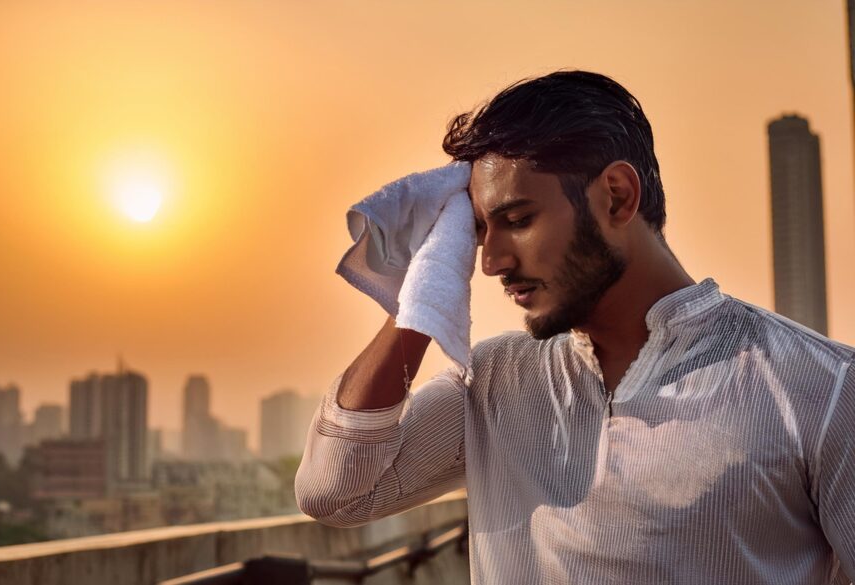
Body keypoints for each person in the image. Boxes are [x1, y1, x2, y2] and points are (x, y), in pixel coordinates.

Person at [294, 70, 855, 584]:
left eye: (517, 220)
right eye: (477, 232)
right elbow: (335, 493)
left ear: (617, 196)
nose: (489, 262)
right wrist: (427, 283)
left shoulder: (823, 387)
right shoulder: (496, 382)